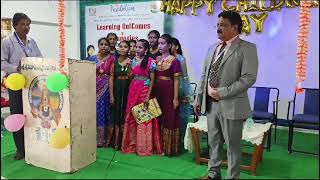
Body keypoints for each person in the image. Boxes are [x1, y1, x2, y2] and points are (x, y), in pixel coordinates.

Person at [194, 11, 258, 179]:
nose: (218, 28)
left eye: (222, 25)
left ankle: (232, 177)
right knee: (213, 142)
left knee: (232, 146)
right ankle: (213, 174)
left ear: (234, 27)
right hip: (210, 104)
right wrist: (199, 97)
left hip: (232, 105)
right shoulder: (212, 48)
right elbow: (204, 75)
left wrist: (221, 93)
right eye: (218, 25)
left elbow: (248, 78)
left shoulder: (247, 48)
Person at [1, 13, 42, 160]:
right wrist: (15, 68)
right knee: (18, 115)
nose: (26, 27)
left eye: (28, 24)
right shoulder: (7, 42)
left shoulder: (32, 41)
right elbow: (2, 62)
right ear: (15, 25)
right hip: (16, 84)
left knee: (34, 114)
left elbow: (40, 59)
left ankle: (34, 145)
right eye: (23, 24)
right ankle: (20, 149)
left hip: (32, 84)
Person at [121, 39, 163, 156]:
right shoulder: (132, 60)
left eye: (140, 47)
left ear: (145, 50)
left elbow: (152, 80)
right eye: (136, 47)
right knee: (132, 115)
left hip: (145, 90)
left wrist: (147, 96)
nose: (137, 49)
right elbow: (130, 76)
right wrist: (129, 66)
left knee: (145, 117)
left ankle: (145, 147)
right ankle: (132, 145)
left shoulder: (150, 62)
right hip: (133, 89)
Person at [154, 34, 181, 156]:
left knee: (169, 117)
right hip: (156, 91)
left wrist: (175, 98)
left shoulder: (174, 61)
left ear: (169, 45)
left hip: (169, 91)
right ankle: (157, 146)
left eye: (162, 43)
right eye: (159, 43)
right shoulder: (156, 59)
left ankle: (168, 148)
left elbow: (176, 80)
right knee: (157, 116)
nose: (160, 45)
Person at [88, 37, 115, 147]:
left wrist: (112, 95)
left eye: (105, 44)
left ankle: (103, 140)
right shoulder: (91, 58)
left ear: (109, 46)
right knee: (93, 111)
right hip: (93, 87)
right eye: (101, 44)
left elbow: (112, 76)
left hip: (106, 87)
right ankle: (92, 138)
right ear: (98, 45)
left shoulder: (112, 58)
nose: (103, 46)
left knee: (103, 111)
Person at [108, 40, 132, 150]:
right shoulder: (114, 62)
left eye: (125, 47)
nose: (122, 48)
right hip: (116, 90)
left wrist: (130, 67)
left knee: (125, 114)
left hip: (128, 90)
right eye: (120, 46)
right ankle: (116, 142)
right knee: (116, 113)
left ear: (129, 49)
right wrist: (111, 95)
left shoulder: (132, 62)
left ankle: (125, 142)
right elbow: (111, 78)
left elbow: (133, 78)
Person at [170, 37, 192, 139]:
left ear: (177, 47)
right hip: (169, 87)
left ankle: (180, 137)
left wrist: (185, 92)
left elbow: (185, 76)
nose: (169, 47)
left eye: (172, 45)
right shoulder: (167, 58)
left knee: (180, 113)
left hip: (180, 88)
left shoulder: (181, 59)